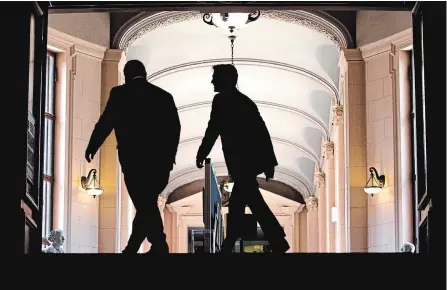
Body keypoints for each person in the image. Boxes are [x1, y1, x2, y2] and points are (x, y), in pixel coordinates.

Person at [85, 60, 181, 254]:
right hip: (159, 163)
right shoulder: (163, 96)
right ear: (145, 74)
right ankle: (134, 246)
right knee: (146, 202)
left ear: (127, 75)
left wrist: (93, 145)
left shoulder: (120, 94)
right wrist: (169, 158)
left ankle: (159, 243)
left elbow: (106, 122)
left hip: (133, 160)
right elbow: (174, 129)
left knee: (144, 202)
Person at [196, 64, 290, 253]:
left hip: (241, 162)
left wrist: (202, 152)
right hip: (247, 162)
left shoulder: (221, 100)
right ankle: (233, 242)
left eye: (215, 77)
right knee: (240, 203)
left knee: (251, 203)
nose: (212, 81)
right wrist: (269, 162)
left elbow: (213, 128)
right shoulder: (245, 102)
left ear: (224, 80)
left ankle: (273, 240)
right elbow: (261, 131)